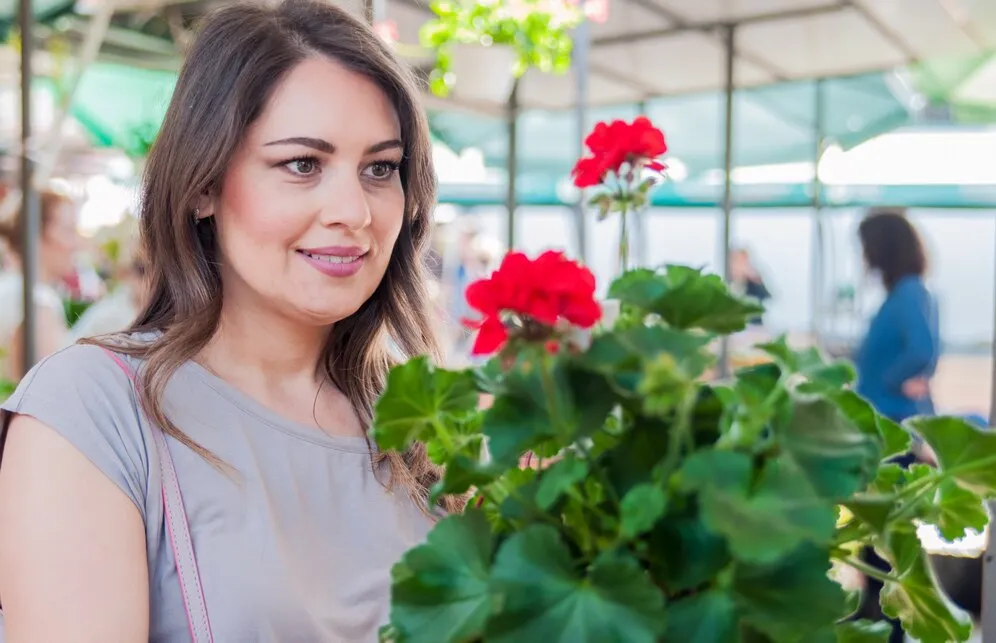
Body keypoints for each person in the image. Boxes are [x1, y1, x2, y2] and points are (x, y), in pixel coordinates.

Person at [0, 2, 459, 641]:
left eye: (380, 168)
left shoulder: (425, 419)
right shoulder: (97, 409)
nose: (353, 210)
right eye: (303, 164)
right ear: (203, 185)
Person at [852, 208, 940, 643]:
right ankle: (875, 618)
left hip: (893, 427)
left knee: (886, 533)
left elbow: (923, 350)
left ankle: (886, 627)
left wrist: (889, 380)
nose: (864, 255)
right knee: (877, 530)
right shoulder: (902, 293)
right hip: (881, 425)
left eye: (867, 244)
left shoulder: (908, 292)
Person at [0, 188, 79, 380]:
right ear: (36, 235)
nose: (75, 243)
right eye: (68, 230)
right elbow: (49, 388)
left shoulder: (11, 288)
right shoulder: (38, 302)